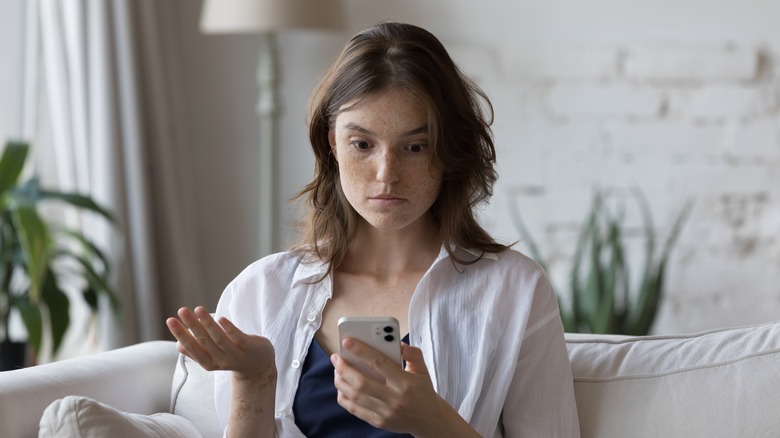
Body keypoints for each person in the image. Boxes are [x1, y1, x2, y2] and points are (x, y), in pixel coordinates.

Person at [166, 21, 580, 438]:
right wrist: (254, 380)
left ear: (449, 152)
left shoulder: (514, 291)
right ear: (332, 144)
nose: (387, 174)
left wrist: (433, 421)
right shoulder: (260, 291)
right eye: (362, 144)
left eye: (415, 147)